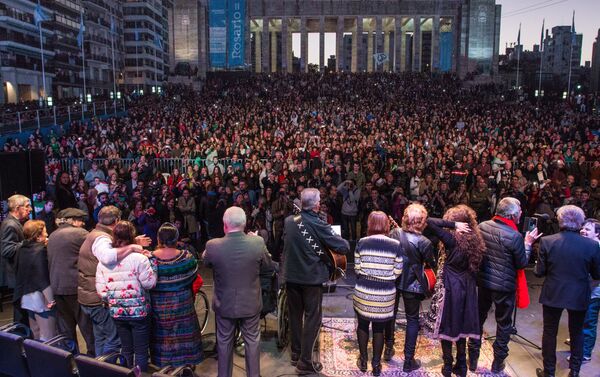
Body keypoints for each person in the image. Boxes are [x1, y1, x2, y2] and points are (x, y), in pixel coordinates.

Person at [468, 197, 540, 373]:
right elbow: (522, 263)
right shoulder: (515, 236)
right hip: (504, 286)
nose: (522, 212)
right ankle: (497, 362)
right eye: (520, 210)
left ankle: (472, 358)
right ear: (513, 215)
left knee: (478, 319)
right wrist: (528, 244)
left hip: (484, 282)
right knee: (504, 324)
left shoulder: (483, 226)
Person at [283, 188, 349, 374]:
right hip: (311, 279)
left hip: (291, 276)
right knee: (313, 317)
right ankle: (305, 361)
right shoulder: (319, 224)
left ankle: (296, 353)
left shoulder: (289, 222)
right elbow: (342, 247)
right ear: (317, 204)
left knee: (295, 316)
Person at [203, 207, 274, 377]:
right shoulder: (257, 242)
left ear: (224, 225)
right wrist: (257, 240)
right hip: (250, 304)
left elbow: (206, 262)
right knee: (252, 343)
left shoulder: (212, 245)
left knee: (224, 343)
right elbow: (268, 267)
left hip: (224, 304)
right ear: (244, 224)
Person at [534, 206, 600, 377]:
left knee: (550, 332)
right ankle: (574, 372)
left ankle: (549, 372)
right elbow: (597, 274)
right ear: (580, 222)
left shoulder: (548, 241)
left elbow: (539, 272)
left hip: (553, 292)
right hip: (578, 294)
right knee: (577, 333)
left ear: (560, 220)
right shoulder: (592, 245)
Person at [78, 206, 148, 356]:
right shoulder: (101, 238)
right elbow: (107, 256)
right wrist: (133, 247)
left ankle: (97, 369)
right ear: (117, 221)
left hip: (88, 296)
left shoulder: (95, 234)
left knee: (101, 337)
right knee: (113, 340)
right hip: (96, 298)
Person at [425, 205, 484, 377]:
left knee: (448, 325)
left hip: (451, 287)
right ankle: (462, 366)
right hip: (468, 286)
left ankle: (448, 366)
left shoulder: (451, 239)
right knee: (462, 325)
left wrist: (452, 225)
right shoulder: (476, 238)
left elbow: (428, 221)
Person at [96, 221, 157, 372]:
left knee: (126, 349)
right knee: (141, 352)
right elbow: (150, 283)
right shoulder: (139, 258)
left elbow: (102, 292)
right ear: (132, 236)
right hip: (139, 313)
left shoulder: (103, 263)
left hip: (117, 313)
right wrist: (152, 261)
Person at [353, 211, 403, 376]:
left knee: (362, 324)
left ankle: (363, 360)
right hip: (385, 293)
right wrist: (386, 277)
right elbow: (398, 270)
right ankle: (376, 364)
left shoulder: (362, 242)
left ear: (370, 224)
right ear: (386, 225)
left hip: (364, 290)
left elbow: (357, 268)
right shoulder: (395, 244)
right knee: (379, 328)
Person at [388, 203, 436, 373]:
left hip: (393, 279)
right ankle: (408, 361)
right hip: (413, 284)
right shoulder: (425, 242)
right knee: (412, 320)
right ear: (421, 222)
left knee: (390, 315)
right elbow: (431, 263)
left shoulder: (394, 233)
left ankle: (388, 349)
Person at [150, 223, 203, 367]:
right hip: (183, 304)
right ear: (176, 239)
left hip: (159, 306)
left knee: (163, 337)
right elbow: (193, 277)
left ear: (158, 238)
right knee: (183, 336)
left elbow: (147, 281)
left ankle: (165, 367)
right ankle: (185, 366)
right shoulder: (187, 258)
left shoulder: (150, 259)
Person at [47, 208, 95, 355]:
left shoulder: (53, 235)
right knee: (87, 327)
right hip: (75, 287)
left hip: (57, 287)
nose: (82, 224)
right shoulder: (80, 234)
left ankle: (71, 361)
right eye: (80, 220)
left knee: (66, 328)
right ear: (73, 221)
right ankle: (92, 360)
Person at [14, 220, 57, 340]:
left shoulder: (21, 249)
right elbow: (42, 277)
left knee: (36, 332)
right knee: (49, 337)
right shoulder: (40, 251)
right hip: (41, 297)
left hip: (26, 297)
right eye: (45, 232)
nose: (47, 235)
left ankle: (36, 358)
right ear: (37, 236)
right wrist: (51, 300)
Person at [0, 194, 32, 326]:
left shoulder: (15, 223)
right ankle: (21, 338)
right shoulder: (10, 225)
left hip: (18, 273)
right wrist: (28, 243)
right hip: (15, 274)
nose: (30, 209)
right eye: (27, 206)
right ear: (17, 208)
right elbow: (6, 250)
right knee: (20, 311)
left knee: (22, 309)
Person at [579, 219, 600, 363]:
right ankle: (580, 344)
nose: (583, 231)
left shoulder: (597, 248)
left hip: (594, 292)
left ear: (597, 234)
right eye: (583, 228)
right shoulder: (588, 246)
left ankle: (585, 353)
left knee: (589, 323)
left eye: (588, 230)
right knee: (582, 320)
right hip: (584, 290)